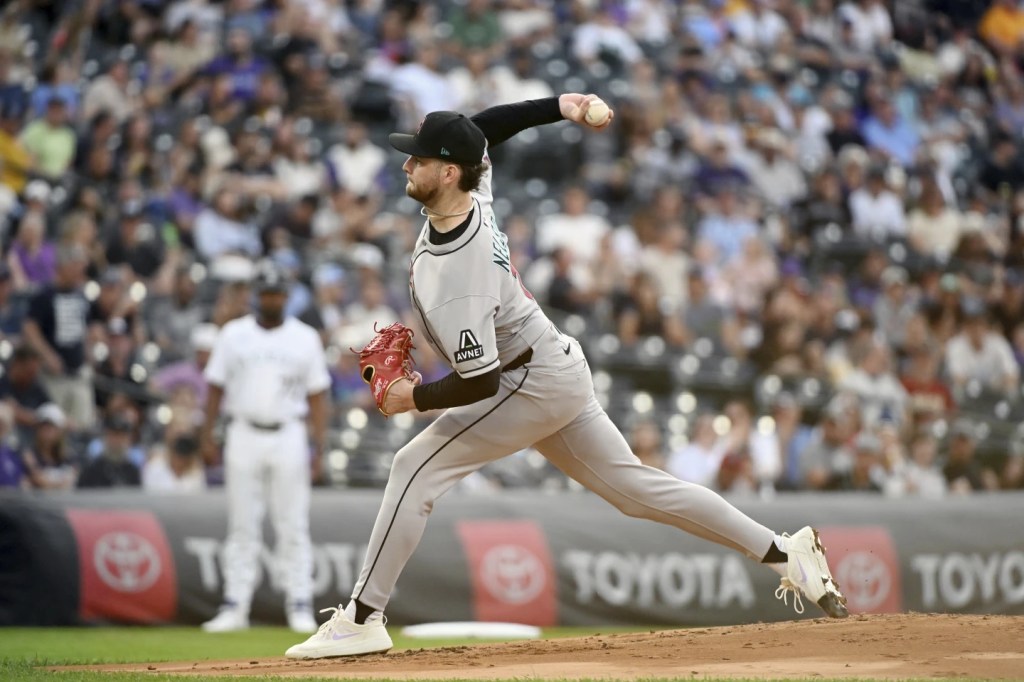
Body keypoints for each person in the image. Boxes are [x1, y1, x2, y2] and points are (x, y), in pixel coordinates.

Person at [285, 94, 848, 660]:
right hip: (550, 366)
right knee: (634, 489)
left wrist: (414, 398)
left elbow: (478, 383)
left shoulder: (459, 272)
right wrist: (562, 104)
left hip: (524, 383)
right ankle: (784, 552)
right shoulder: (474, 191)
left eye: (419, 159)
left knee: (413, 466)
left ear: (448, 172)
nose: (407, 165)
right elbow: (481, 130)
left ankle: (362, 616)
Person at [199, 261, 331, 635]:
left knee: (292, 523)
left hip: (289, 431)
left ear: (286, 297)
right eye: (265, 293)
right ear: (256, 296)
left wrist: (319, 445)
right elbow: (214, 387)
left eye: (277, 293)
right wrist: (207, 434)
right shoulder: (233, 334)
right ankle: (235, 605)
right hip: (242, 430)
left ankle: (300, 603)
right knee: (242, 523)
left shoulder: (305, 337)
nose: (271, 299)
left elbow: (318, 395)